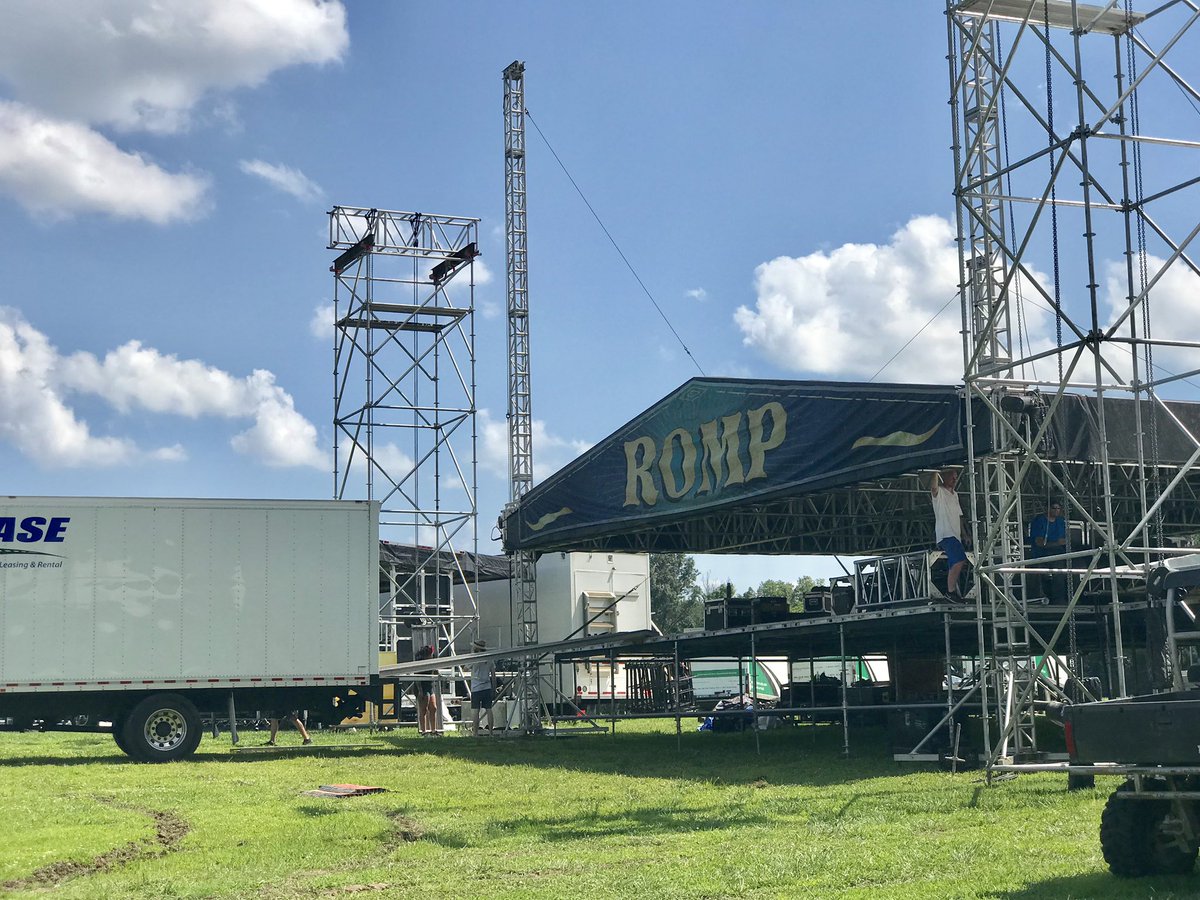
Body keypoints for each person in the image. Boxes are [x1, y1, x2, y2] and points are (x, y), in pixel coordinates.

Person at [931, 467, 970, 603]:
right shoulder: (940, 492)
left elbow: (959, 516)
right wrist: (935, 472)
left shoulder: (955, 494)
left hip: (955, 534)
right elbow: (934, 488)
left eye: (956, 477)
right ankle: (950, 591)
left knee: (956, 562)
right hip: (945, 533)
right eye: (952, 477)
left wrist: (964, 534)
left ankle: (952, 591)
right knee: (959, 559)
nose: (954, 480)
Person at [1029, 500, 1068, 601]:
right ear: (1047, 508)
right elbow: (1039, 542)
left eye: (1058, 508)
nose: (1056, 511)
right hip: (1041, 553)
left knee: (1060, 573)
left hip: (1058, 553)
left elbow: (1064, 539)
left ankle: (1059, 599)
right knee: (1043, 575)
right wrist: (1056, 543)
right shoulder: (1039, 521)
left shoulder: (1060, 521)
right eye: (1054, 508)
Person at [469, 639, 497, 735]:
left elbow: (465, 667)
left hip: (476, 687)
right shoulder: (489, 658)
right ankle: (491, 732)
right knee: (489, 709)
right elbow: (493, 674)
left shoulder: (473, 657)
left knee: (475, 710)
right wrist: (494, 687)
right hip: (487, 686)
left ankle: (475, 733)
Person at [413, 644, 440, 736]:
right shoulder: (420, 662)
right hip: (421, 686)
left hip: (429, 685)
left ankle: (433, 730)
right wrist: (420, 691)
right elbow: (416, 677)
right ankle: (423, 731)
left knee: (433, 708)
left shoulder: (432, 661)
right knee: (423, 709)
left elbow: (435, 672)